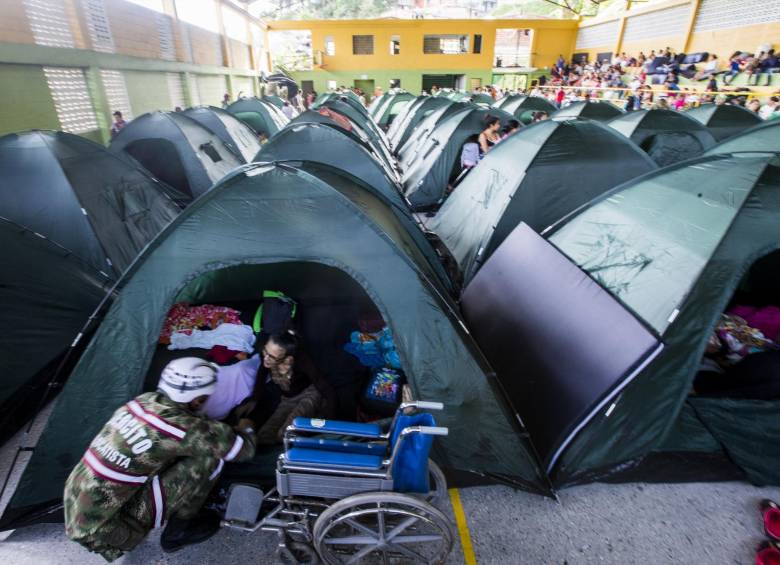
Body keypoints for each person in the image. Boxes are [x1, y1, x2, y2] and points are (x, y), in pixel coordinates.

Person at [63, 358, 256, 561]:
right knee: (209, 460)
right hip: (107, 529)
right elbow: (243, 449)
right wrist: (247, 423)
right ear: (196, 400)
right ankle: (179, 531)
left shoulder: (143, 401)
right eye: (206, 397)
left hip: (75, 500)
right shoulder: (183, 428)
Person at [235, 332, 333, 445]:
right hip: (287, 399)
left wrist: (328, 420)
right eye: (265, 351)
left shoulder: (302, 361)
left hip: (309, 394)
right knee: (264, 436)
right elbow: (262, 373)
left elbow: (326, 389)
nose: (266, 358)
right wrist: (254, 399)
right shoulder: (266, 356)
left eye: (271, 357)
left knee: (286, 433)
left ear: (287, 357)